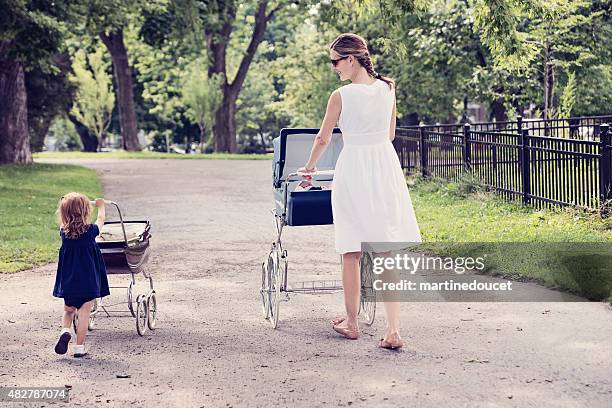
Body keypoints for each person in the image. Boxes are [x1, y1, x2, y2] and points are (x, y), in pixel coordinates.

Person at [298, 33, 421, 350]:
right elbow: (390, 134)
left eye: (335, 61)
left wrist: (309, 168)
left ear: (351, 59)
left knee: (350, 250)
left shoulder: (340, 96)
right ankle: (393, 331)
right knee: (384, 251)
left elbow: (323, 139)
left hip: (353, 169)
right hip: (383, 167)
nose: (333, 68)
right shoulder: (388, 89)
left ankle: (351, 323)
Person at [53, 193, 109, 357]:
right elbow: (101, 219)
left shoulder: (63, 232)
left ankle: (65, 330)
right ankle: (79, 348)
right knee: (84, 313)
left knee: (68, 310)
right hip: (88, 281)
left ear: (64, 214)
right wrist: (101, 205)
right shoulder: (91, 231)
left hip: (69, 281)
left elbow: (66, 223)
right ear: (85, 212)